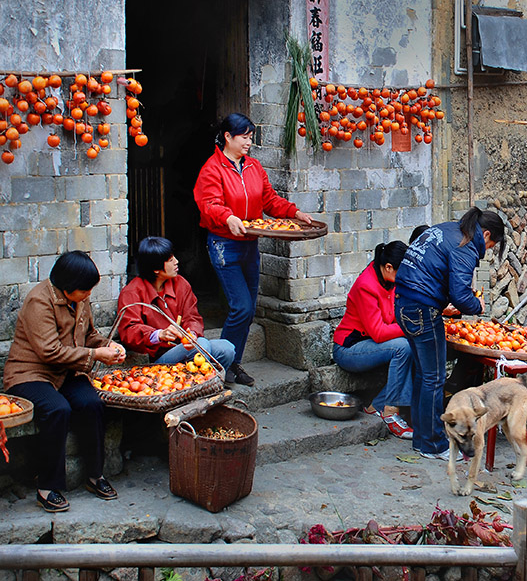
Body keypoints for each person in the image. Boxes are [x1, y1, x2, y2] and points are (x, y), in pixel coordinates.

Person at [193, 113, 314, 386]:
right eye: (244, 137)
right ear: (228, 137)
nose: (249, 142)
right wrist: (228, 217)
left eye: (250, 137)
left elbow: (269, 200)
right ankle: (220, 364)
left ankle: (230, 364)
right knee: (241, 306)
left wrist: (295, 213)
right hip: (225, 244)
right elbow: (209, 204)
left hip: (250, 244)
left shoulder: (254, 167)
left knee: (248, 310)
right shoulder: (212, 169)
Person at [2, 251, 126, 512]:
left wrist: (109, 346)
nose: (88, 295)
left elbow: (89, 335)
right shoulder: (39, 301)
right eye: (85, 290)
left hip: (66, 371)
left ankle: (95, 476)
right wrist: (94, 355)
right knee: (57, 409)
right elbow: (49, 351)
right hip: (30, 373)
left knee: (92, 403)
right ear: (68, 287)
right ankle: (47, 487)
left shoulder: (79, 299)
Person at [394, 207, 506, 460]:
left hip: (404, 303)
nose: (487, 249)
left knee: (425, 375)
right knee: (433, 378)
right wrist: (478, 306)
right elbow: (460, 294)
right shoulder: (465, 244)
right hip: (421, 308)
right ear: (486, 234)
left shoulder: (447, 229)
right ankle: (434, 445)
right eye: (491, 244)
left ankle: (423, 439)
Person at [117, 237, 236, 373]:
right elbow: (129, 331)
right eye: (170, 260)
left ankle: (205, 385)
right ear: (156, 268)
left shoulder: (181, 284)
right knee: (201, 346)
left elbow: (192, 317)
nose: (176, 262)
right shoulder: (132, 292)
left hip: (185, 347)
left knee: (227, 348)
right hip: (159, 359)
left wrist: (192, 333)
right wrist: (159, 334)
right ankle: (195, 386)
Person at [333, 241, 415, 439]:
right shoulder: (366, 286)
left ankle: (376, 405)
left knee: (414, 345)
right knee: (403, 347)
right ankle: (390, 412)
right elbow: (378, 332)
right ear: (388, 267)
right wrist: (407, 328)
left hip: (373, 345)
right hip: (349, 349)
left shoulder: (390, 280)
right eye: (401, 272)